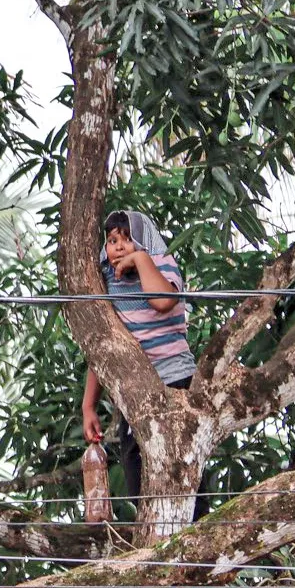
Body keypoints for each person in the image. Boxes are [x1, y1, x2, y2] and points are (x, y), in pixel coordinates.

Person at [82, 210, 205, 519]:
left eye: (129, 239)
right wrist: (88, 407)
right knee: (136, 466)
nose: (120, 247)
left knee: (182, 462)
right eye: (112, 241)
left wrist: (141, 260)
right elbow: (102, 347)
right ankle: (152, 523)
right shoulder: (107, 281)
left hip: (175, 379)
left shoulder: (162, 264)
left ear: (146, 242)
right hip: (133, 389)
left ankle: (196, 527)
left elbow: (163, 301)